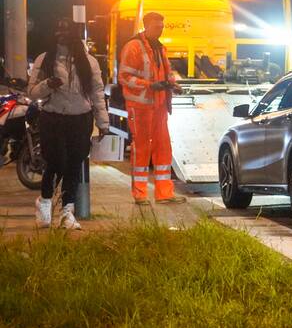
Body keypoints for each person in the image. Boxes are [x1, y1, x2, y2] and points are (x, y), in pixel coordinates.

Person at [28, 18, 110, 229]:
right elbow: (32, 93)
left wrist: (103, 122)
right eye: (57, 30)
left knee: (74, 164)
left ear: (74, 34)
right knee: (55, 162)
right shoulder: (44, 59)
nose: (61, 34)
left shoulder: (88, 61)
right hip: (53, 117)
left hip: (80, 118)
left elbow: (97, 93)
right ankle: (45, 201)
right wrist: (47, 84)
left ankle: (67, 212)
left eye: (65, 31)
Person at [118, 12, 185, 205]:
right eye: (157, 26)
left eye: (162, 26)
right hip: (140, 107)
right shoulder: (134, 47)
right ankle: (140, 194)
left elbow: (166, 73)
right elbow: (124, 76)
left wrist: (173, 85)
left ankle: (164, 194)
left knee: (163, 148)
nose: (160, 29)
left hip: (159, 106)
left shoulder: (159, 48)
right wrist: (148, 85)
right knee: (141, 148)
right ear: (146, 26)